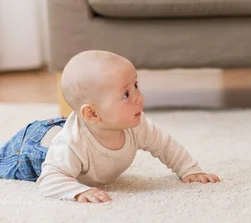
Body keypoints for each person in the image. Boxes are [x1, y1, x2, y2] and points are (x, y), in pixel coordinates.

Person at [0, 50, 220, 203]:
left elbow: (165, 145)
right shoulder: (72, 145)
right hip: (33, 148)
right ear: (93, 113)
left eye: (136, 86)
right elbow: (49, 179)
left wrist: (190, 170)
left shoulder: (137, 124)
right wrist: (77, 191)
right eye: (126, 94)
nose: (139, 97)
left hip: (68, 127)